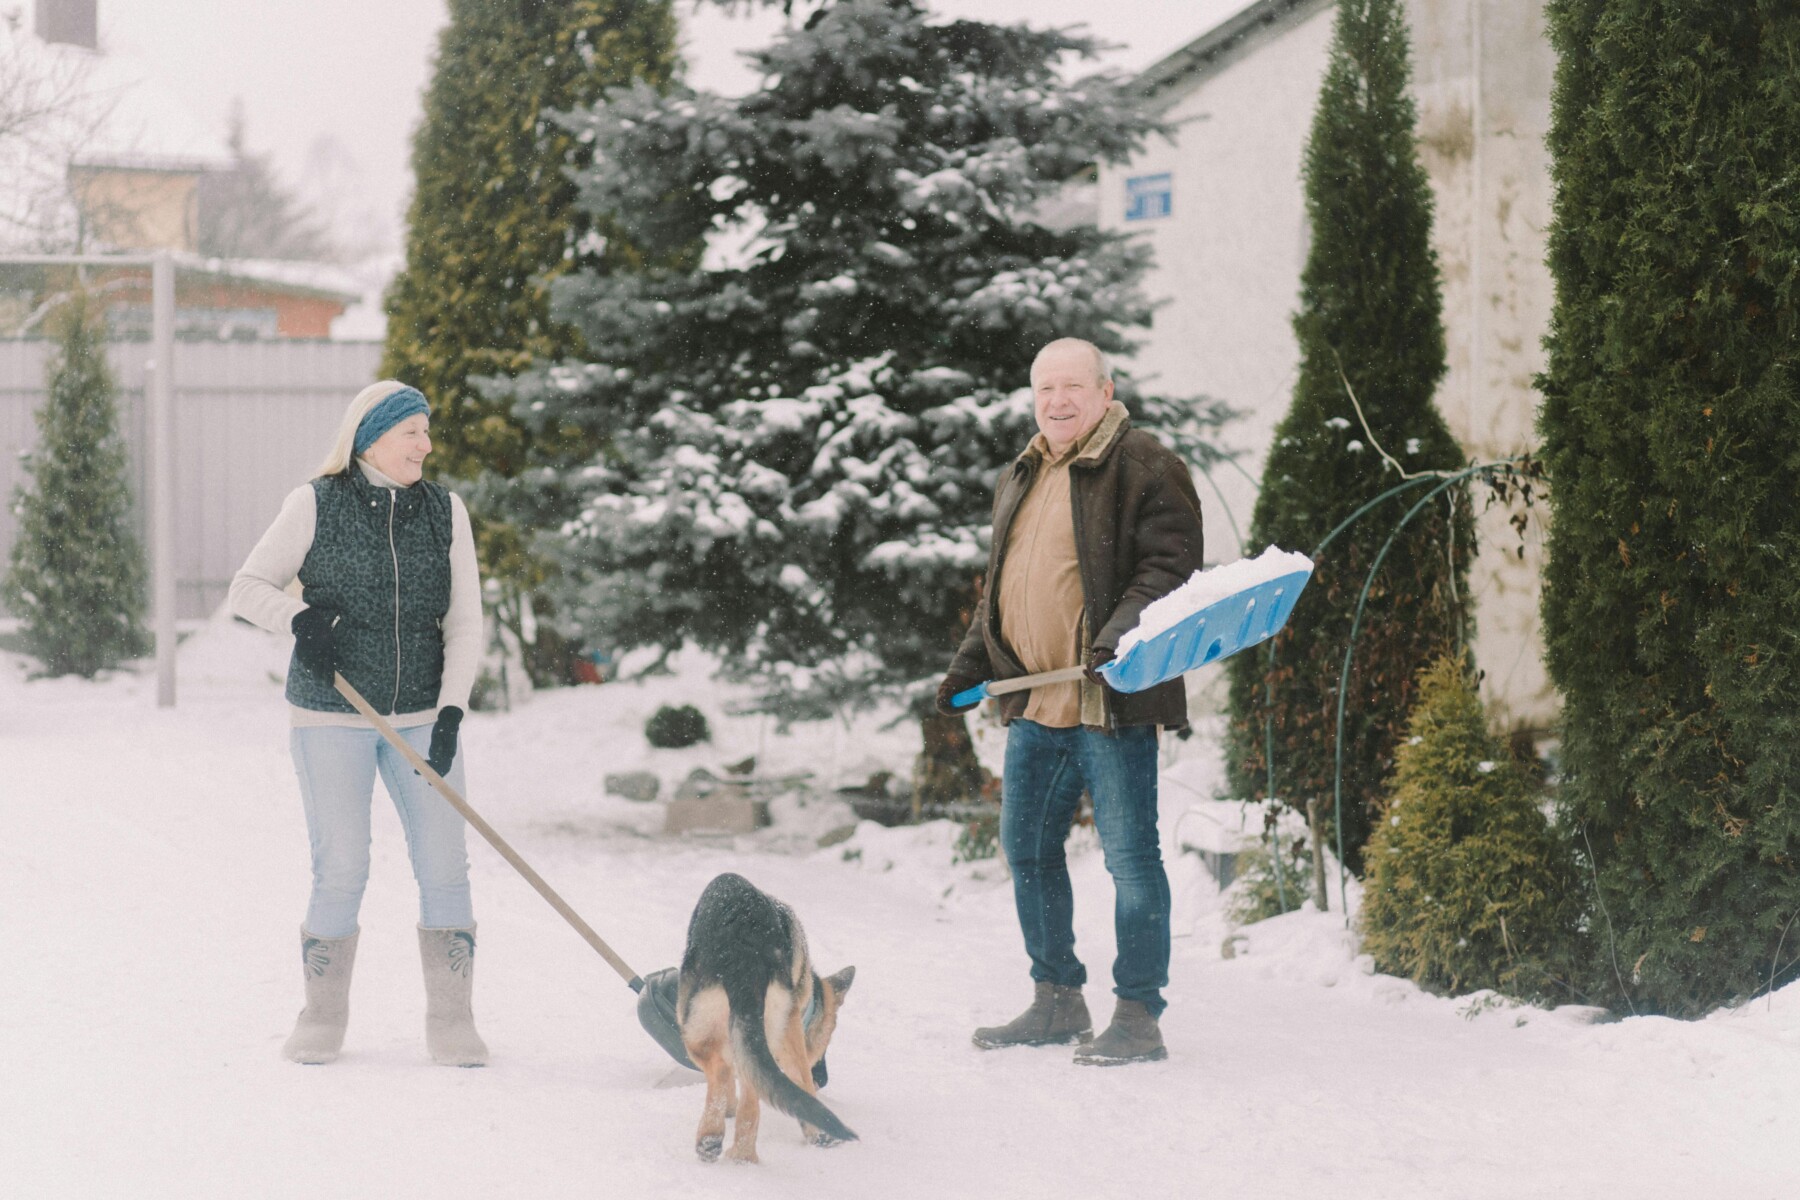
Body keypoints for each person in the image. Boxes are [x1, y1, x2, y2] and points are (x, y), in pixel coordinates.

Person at [939, 338, 1204, 1066]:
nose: (1057, 401)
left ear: (1105, 390)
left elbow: (1171, 567)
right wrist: (969, 664)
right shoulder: (1022, 472)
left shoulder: (1144, 464)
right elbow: (1002, 588)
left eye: (1072, 387)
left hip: (1108, 701)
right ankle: (1057, 998)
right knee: (1026, 849)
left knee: (1130, 859)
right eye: (1045, 389)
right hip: (1034, 704)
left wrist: (1118, 638)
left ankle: (1139, 1014)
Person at [229, 380, 487, 1067]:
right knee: (342, 867)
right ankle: (322, 1016)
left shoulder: (446, 511)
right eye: (414, 433)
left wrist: (454, 706)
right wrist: (299, 619)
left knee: (445, 867)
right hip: (331, 715)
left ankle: (452, 1020)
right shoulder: (315, 503)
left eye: (428, 433)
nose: (427, 446)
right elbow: (247, 587)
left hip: (426, 713)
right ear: (373, 434)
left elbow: (464, 622)